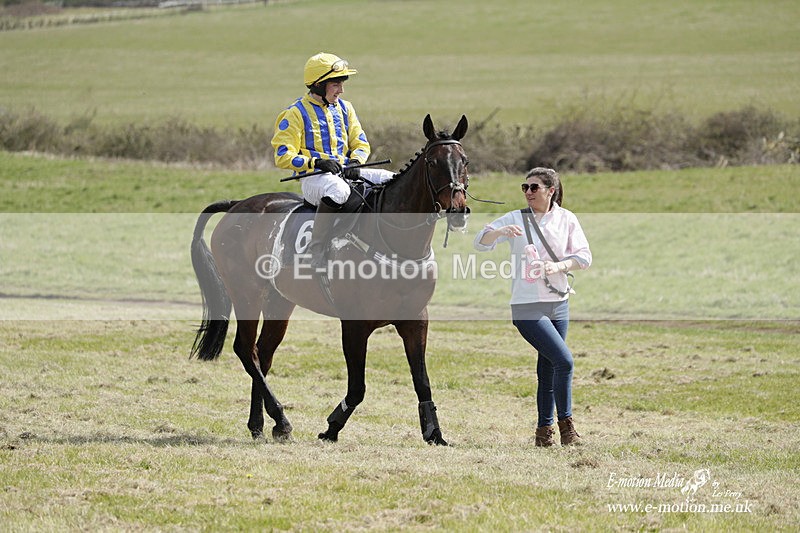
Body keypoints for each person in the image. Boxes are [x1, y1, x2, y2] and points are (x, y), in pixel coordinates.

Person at [473, 167, 592, 446]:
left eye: (534, 188)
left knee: (548, 368)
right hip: (527, 306)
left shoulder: (566, 219)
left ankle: (543, 433)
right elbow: (480, 242)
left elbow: (584, 257)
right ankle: (567, 429)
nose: (528, 192)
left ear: (551, 191)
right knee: (564, 361)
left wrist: (558, 266)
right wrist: (498, 231)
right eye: (524, 187)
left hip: (559, 303)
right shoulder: (516, 218)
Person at [271, 52, 394, 268]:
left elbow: (361, 143)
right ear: (318, 85)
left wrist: (356, 162)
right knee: (339, 191)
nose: (341, 90)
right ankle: (317, 248)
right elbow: (282, 156)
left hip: (344, 172)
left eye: (342, 84)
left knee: (393, 180)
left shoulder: (346, 108)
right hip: (314, 179)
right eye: (336, 84)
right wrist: (316, 163)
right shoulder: (294, 114)